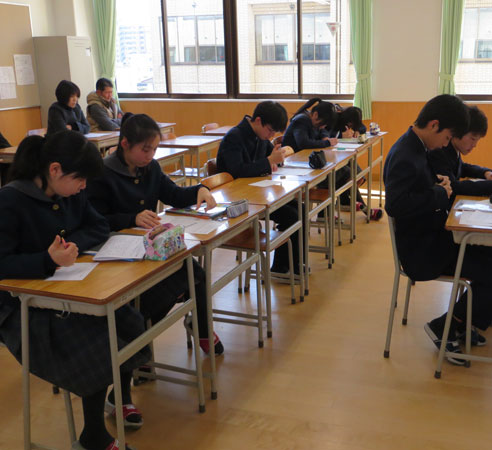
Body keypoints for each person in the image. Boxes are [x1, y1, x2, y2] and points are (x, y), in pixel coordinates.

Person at [0, 131, 147, 450]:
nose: (83, 187)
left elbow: (98, 226)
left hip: (71, 290)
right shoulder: (10, 200)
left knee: (129, 322)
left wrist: (69, 246)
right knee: (97, 343)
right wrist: (47, 259)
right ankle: (93, 436)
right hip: (21, 308)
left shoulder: (69, 192)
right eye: (80, 179)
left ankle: (120, 397)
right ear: (54, 170)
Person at [383, 94, 492, 365]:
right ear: (434, 125)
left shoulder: (419, 146)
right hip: (423, 251)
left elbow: (435, 185)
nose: (446, 144)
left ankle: (469, 319)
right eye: (447, 137)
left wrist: (441, 189)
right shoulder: (407, 154)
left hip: (436, 235)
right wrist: (439, 193)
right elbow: (395, 206)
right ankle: (445, 327)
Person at [86, 113, 224, 358]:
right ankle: (138, 345)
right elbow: (95, 221)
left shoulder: (150, 168)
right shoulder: (102, 174)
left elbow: (173, 194)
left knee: (196, 275)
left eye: (154, 149)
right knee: (157, 293)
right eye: (145, 149)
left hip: (151, 248)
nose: (150, 155)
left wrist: (199, 190)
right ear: (125, 144)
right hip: (117, 253)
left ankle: (200, 328)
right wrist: (131, 218)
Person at [427, 105, 492, 327]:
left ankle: (483, 307)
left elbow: (462, 168)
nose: (474, 145)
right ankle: (452, 324)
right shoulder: (439, 151)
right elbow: (456, 186)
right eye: (472, 139)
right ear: (456, 133)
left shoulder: (451, 150)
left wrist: (485, 173)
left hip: (446, 226)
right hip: (440, 236)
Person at [216, 101, 300, 275]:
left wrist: (278, 157)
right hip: (236, 200)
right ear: (258, 120)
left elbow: (271, 157)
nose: (271, 136)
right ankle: (282, 268)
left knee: (299, 208)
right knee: (292, 216)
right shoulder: (234, 137)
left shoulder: (260, 136)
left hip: (255, 194)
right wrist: (269, 162)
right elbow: (237, 171)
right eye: (270, 130)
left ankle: (295, 265)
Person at [328, 105, 383, 221]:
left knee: (356, 176)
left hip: (341, 153)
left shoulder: (352, 121)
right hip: (330, 156)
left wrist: (357, 131)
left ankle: (347, 201)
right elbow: (327, 135)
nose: (351, 125)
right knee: (351, 176)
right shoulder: (335, 118)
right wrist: (340, 135)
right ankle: (365, 209)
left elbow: (362, 127)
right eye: (351, 123)